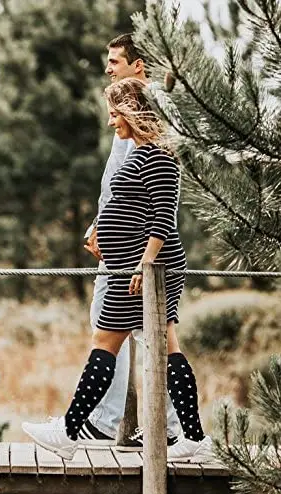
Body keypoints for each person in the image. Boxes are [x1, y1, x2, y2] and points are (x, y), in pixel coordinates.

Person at [22, 76, 213, 463]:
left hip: (145, 272)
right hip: (131, 269)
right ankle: (193, 437)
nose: (111, 122)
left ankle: (70, 432)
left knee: (115, 344)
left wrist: (145, 265)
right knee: (153, 346)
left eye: (115, 114)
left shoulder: (159, 157)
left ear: (133, 112)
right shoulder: (143, 153)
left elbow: (163, 219)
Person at [78, 33, 182, 452]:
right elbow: (117, 187)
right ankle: (167, 429)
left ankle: (112, 424)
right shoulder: (126, 111)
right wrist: (98, 224)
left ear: (138, 65)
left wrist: (138, 253)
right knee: (140, 333)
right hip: (123, 247)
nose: (108, 68)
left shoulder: (145, 115)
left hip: (135, 253)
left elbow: (151, 197)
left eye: (116, 61)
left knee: (142, 334)